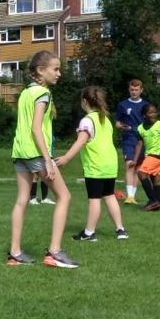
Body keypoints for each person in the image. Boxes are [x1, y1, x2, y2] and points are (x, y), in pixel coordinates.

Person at [7, 51, 78, 268]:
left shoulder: (26, 92)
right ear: (41, 70)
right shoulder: (43, 94)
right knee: (64, 196)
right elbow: (35, 128)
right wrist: (48, 160)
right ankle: (54, 252)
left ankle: (15, 253)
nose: (59, 74)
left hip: (20, 153)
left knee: (22, 201)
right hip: (37, 154)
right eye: (55, 69)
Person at [56, 86, 130, 241]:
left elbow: (81, 141)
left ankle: (89, 233)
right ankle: (120, 230)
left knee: (94, 199)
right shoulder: (106, 119)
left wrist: (66, 158)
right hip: (110, 165)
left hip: (95, 166)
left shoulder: (87, 120)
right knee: (109, 196)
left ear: (84, 101)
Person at [114, 80, 151, 205]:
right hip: (128, 139)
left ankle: (132, 197)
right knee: (130, 164)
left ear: (141, 90)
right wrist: (122, 127)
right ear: (129, 90)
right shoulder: (123, 105)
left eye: (136, 90)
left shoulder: (146, 105)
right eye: (132, 90)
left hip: (142, 140)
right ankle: (128, 196)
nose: (134, 92)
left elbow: (151, 123)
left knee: (138, 168)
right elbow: (117, 123)